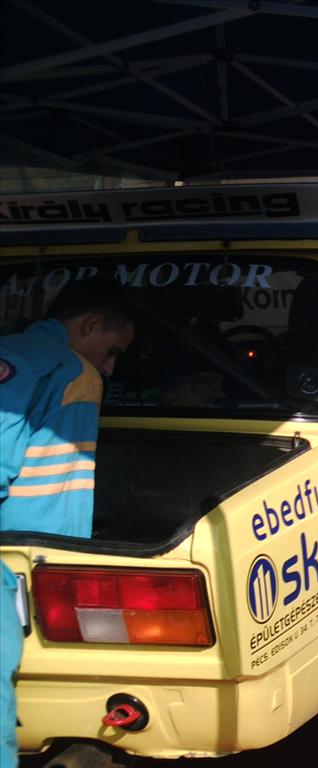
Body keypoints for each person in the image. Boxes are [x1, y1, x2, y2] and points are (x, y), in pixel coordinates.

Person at [0, 277, 136, 767]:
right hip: (26, 561)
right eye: (113, 350)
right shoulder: (75, 373)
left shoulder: (11, 353)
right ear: (91, 324)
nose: (110, 367)